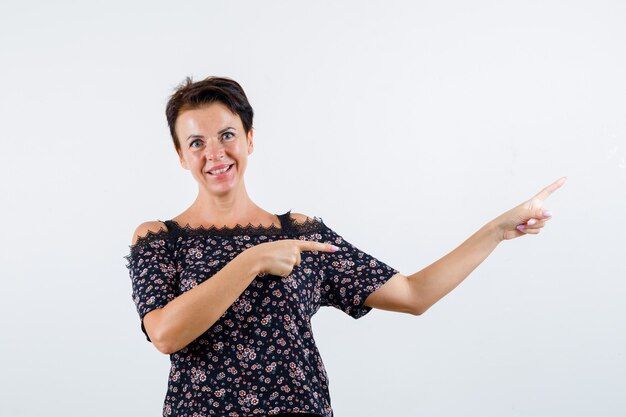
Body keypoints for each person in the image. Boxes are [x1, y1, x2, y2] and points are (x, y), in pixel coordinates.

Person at [124, 76, 566, 417]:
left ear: (250, 139)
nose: (214, 153)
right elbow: (165, 333)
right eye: (196, 142)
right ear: (181, 155)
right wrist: (252, 260)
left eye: (227, 135)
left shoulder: (301, 232)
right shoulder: (159, 239)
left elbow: (414, 294)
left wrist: (496, 230)